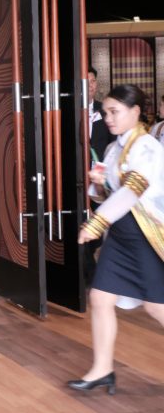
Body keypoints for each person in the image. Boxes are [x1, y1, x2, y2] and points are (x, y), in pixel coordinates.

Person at [69, 84, 164, 394]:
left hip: (145, 235)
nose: (107, 118)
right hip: (121, 236)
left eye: (114, 112)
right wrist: (98, 184)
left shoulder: (147, 147)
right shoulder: (113, 149)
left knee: (157, 307)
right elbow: (107, 195)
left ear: (135, 112)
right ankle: (102, 370)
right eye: (106, 112)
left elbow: (132, 192)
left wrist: (96, 223)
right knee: (100, 298)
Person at [85, 67, 115, 283]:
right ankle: (89, 274)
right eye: (86, 81)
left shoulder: (105, 112)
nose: (90, 85)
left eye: (93, 81)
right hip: (76, 179)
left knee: (100, 222)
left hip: (100, 179)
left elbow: (112, 145)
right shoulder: (65, 110)